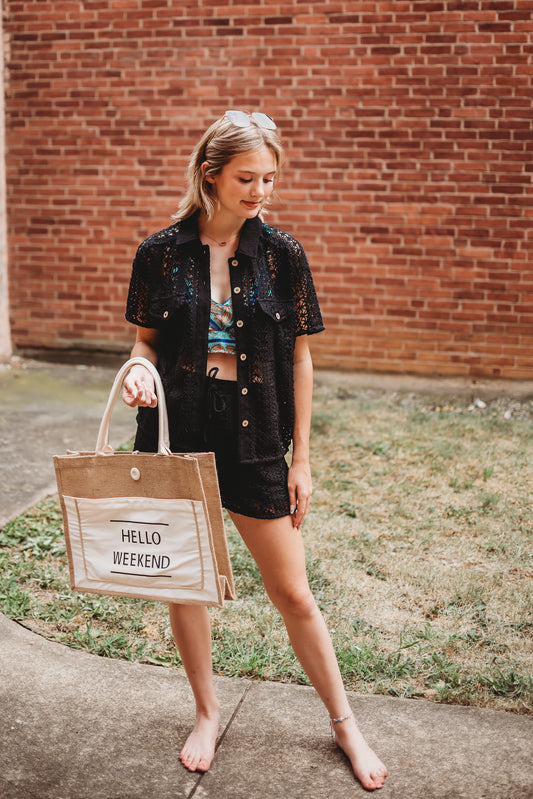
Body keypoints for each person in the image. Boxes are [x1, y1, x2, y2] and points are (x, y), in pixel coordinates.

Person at [122, 110, 387, 791]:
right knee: (187, 583)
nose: (260, 190)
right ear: (210, 174)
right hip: (178, 430)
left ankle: (344, 722)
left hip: (256, 433)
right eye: (247, 177)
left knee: (293, 592)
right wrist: (134, 370)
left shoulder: (282, 255)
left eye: (270, 178)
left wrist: (300, 459)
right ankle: (207, 712)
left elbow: (299, 360)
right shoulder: (158, 253)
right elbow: (144, 342)